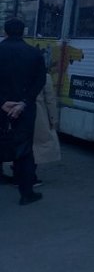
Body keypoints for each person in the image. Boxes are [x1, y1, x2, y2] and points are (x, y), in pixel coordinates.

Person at [0, 17, 47, 205]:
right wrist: (23, 103)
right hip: (24, 110)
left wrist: (2, 103)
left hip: (1, 107)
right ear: (24, 31)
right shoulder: (34, 53)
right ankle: (26, 193)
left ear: (5, 31)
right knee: (24, 149)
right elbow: (40, 81)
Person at [32, 73, 61, 186]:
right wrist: (53, 120)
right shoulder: (44, 76)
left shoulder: (15, 71)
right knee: (35, 147)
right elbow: (50, 100)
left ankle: (16, 175)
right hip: (38, 116)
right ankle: (30, 177)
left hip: (15, 114)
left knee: (20, 145)